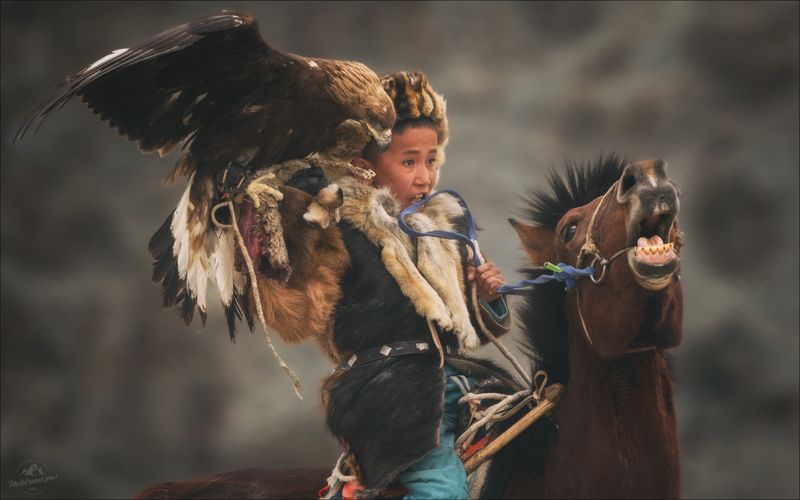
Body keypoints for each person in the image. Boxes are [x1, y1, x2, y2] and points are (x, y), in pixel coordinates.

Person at [312, 71, 511, 499]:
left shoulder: (444, 230)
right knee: (442, 489)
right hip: (390, 390)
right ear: (365, 169)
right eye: (409, 162)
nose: (425, 177)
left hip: (458, 380)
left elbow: (469, 331)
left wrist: (487, 298)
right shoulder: (341, 229)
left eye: (432, 160)